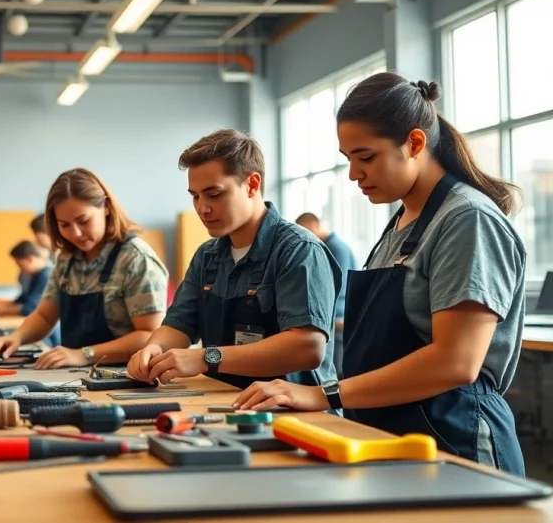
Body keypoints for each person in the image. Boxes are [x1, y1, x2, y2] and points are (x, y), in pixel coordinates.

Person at [232, 74, 527, 477]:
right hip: (386, 434)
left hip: (454, 440)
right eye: (348, 158)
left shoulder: (466, 219)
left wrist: (322, 394)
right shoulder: (402, 222)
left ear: (415, 144)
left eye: (366, 157)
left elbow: (456, 362)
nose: (354, 173)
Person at [126, 130, 340, 394]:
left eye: (214, 194)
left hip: (296, 416)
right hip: (228, 403)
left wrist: (207, 357)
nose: (202, 208)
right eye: (195, 196)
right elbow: (178, 325)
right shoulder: (207, 256)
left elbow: (307, 347)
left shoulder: (298, 250)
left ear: (252, 184)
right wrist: (153, 349)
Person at [0, 168, 169, 369]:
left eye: (84, 221)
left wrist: (85, 355)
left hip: (124, 376)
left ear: (106, 207)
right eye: (64, 225)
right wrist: (17, 337)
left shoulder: (135, 259)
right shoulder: (67, 258)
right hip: (74, 375)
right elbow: (44, 316)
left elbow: (151, 336)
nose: (76, 233)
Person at [296, 212, 358, 324]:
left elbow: (340, 285)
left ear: (314, 224)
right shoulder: (325, 246)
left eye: (304, 228)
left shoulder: (336, 247)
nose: (303, 235)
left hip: (338, 316)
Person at [0, 240, 53, 318]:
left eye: (20, 265)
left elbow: (31, 308)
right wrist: (3, 306)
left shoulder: (46, 276)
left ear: (30, 259)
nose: (21, 270)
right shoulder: (36, 275)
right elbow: (23, 299)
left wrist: (3, 310)